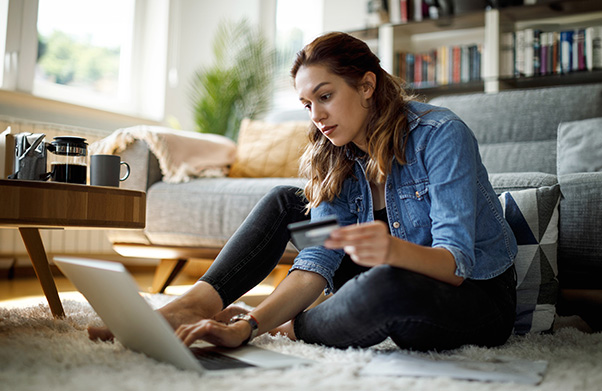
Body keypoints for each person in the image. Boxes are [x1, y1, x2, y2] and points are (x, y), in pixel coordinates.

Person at [90, 32, 518, 352]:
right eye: (307, 105)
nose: (317, 116)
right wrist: (250, 327)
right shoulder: (337, 156)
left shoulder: (440, 136)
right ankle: (191, 305)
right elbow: (318, 259)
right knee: (286, 201)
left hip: (468, 295)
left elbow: (456, 263)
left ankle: (296, 325)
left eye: (325, 96)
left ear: (367, 86)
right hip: (378, 274)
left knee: (385, 288)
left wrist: (388, 250)